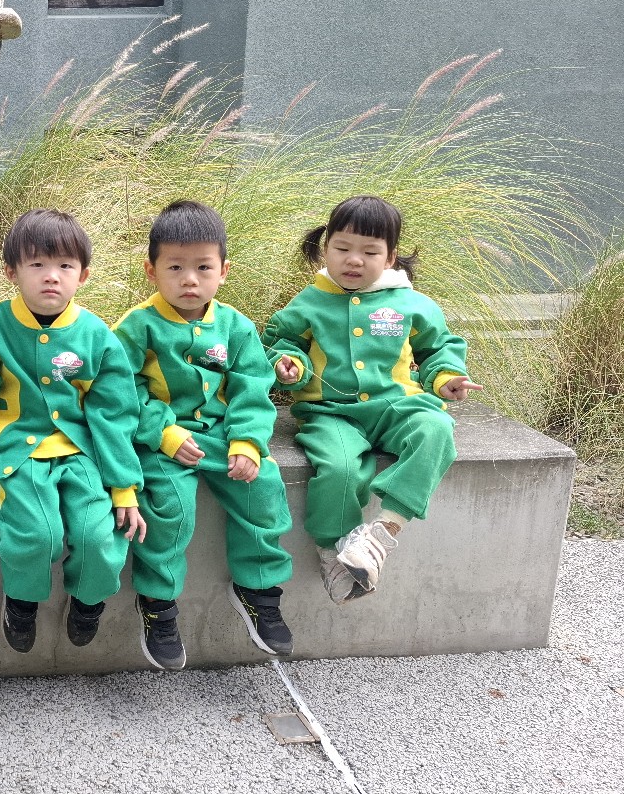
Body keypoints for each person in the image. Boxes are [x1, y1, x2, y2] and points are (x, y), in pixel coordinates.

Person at [0, 209, 145, 653]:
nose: (51, 276)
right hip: (15, 450)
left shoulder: (95, 335)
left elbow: (114, 414)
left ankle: (88, 602)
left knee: (99, 535)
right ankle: (21, 601)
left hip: (82, 453)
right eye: (36, 264)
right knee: (37, 535)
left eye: (65, 266)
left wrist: (124, 487)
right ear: (11, 271)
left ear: (83, 275)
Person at [263, 195, 482, 604]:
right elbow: (281, 342)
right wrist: (287, 365)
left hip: (397, 406)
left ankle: (382, 533)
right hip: (332, 413)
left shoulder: (411, 303)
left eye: (369, 252)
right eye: (342, 248)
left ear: (390, 257)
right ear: (325, 248)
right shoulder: (309, 301)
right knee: (340, 468)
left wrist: (446, 378)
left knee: (436, 430)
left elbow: (438, 348)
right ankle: (332, 550)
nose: (354, 260)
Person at [113, 201, 294, 669]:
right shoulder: (137, 327)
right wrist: (163, 433)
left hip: (221, 434)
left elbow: (253, 388)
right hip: (163, 442)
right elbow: (120, 390)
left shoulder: (235, 327)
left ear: (223, 271)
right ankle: (158, 602)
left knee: (263, 486)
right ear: (151, 271)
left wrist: (248, 442)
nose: (189, 280)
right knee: (171, 506)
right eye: (175, 267)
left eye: (203, 267)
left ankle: (258, 590)